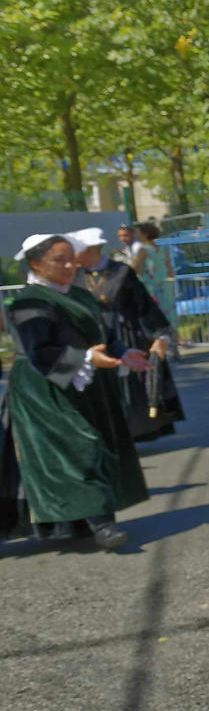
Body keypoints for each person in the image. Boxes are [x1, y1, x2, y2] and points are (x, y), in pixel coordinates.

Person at [0, 234, 150, 550]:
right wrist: (83, 358)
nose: (71, 265)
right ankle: (102, 524)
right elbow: (39, 350)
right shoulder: (28, 302)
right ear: (36, 264)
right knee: (80, 449)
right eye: (60, 260)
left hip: (85, 384)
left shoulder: (79, 296)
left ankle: (80, 521)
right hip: (47, 390)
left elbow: (105, 334)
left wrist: (124, 353)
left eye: (72, 257)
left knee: (96, 446)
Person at [72, 227, 183, 442]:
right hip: (92, 339)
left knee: (129, 390)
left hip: (125, 336)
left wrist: (160, 335)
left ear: (91, 250)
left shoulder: (121, 272)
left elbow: (144, 306)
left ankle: (129, 434)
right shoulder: (75, 277)